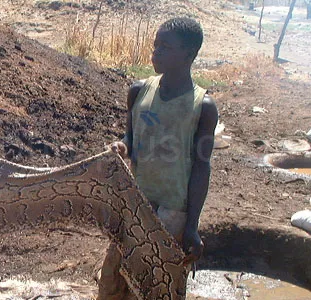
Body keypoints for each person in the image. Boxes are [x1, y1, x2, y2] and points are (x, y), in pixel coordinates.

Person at [99, 17, 218, 299]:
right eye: (155, 45)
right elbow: (131, 138)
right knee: (113, 281)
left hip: (173, 211)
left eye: (165, 47)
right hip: (136, 202)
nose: (155, 52)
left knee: (157, 284)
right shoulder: (139, 91)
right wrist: (122, 146)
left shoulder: (202, 107)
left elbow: (202, 166)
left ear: (189, 55)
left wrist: (191, 226)